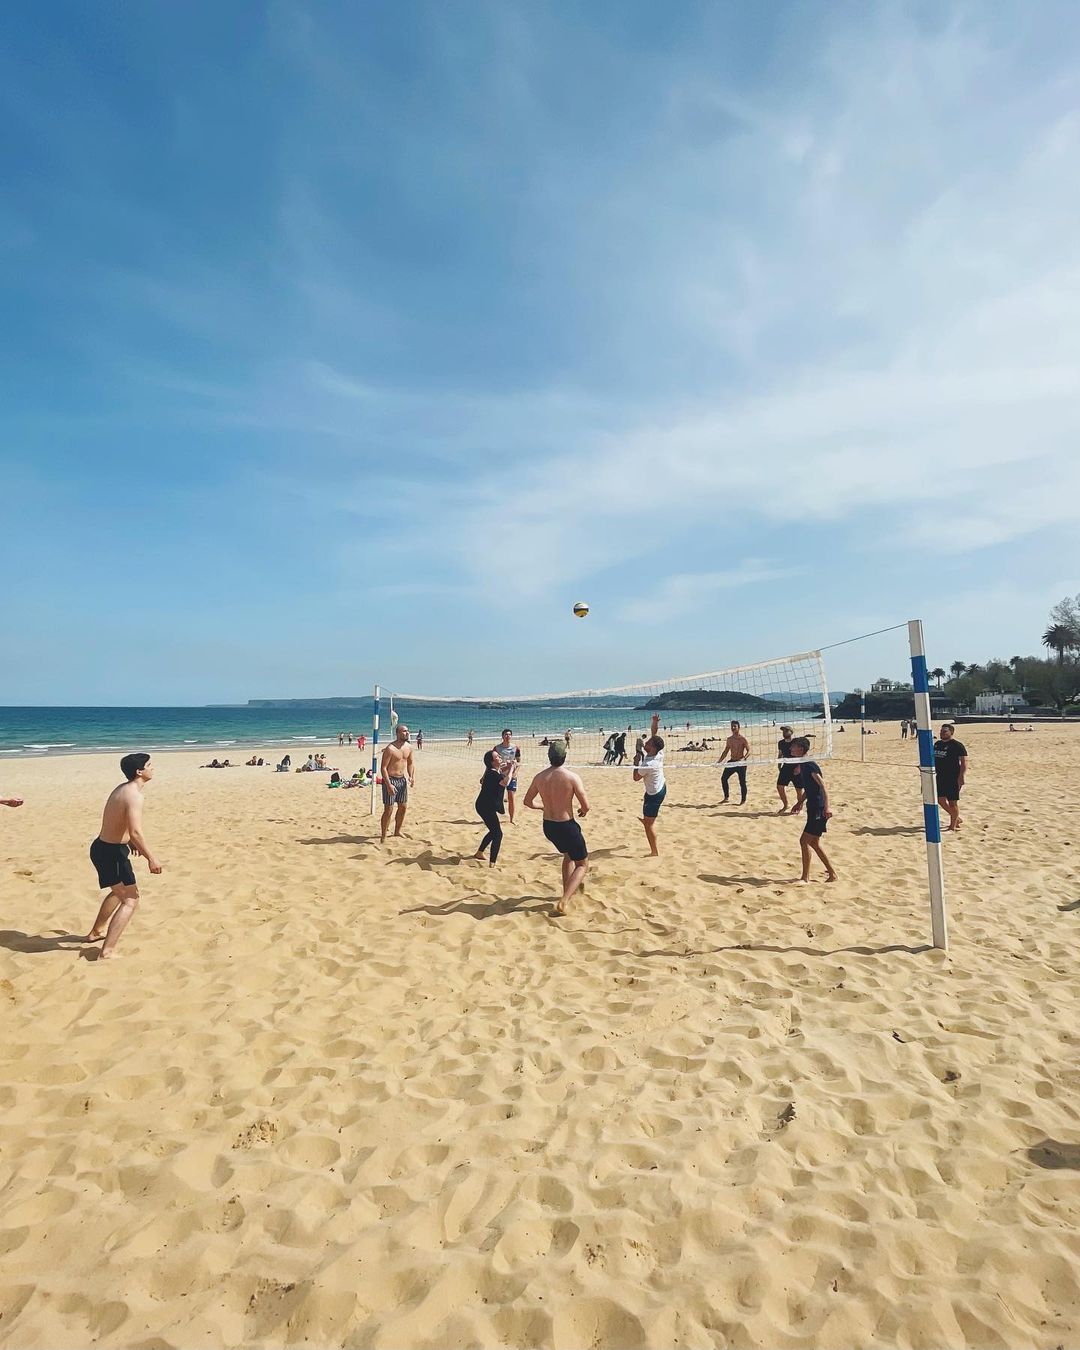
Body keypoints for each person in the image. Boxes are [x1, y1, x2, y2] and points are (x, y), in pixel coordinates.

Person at [84, 753, 162, 959]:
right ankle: (107, 952)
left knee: (119, 891)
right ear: (139, 771)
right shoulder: (134, 795)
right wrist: (151, 858)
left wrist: (128, 840)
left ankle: (95, 933)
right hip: (112, 854)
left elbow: (118, 821)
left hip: (102, 848)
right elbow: (136, 831)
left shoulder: (122, 789)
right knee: (131, 899)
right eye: (149, 765)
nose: (152, 768)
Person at [524, 740, 590, 915]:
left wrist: (543, 807)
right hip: (566, 825)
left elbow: (527, 802)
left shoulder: (540, 777)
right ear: (565, 756)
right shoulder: (571, 777)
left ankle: (566, 892)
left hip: (549, 827)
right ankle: (564, 900)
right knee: (582, 864)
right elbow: (586, 805)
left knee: (568, 855)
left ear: (549, 756)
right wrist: (583, 811)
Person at [790, 738, 836, 883]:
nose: (791, 749)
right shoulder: (802, 764)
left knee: (804, 841)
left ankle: (805, 878)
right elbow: (810, 789)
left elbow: (823, 786)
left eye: (794, 746)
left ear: (801, 749)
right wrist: (799, 802)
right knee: (814, 843)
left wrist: (827, 807)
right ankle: (832, 874)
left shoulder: (809, 765)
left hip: (818, 809)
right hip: (813, 807)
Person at [473, 749, 514, 866]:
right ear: (492, 762)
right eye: (497, 756)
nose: (499, 757)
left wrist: (509, 767)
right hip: (484, 807)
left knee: (493, 831)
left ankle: (479, 853)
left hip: (485, 805)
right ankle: (492, 863)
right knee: (498, 834)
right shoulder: (492, 773)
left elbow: (501, 774)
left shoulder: (493, 771)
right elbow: (505, 782)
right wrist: (511, 769)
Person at [633, 713, 666, 856]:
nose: (645, 744)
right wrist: (654, 722)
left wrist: (635, 763)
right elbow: (654, 733)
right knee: (647, 811)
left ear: (652, 748)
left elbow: (635, 778)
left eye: (647, 744)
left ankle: (654, 852)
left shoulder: (648, 764)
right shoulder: (658, 753)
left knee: (649, 825)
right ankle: (647, 819)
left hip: (655, 795)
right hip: (660, 787)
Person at [379, 723, 415, 842]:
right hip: (391, 780)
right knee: (388, 810)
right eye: (404, 731)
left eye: (408, 731)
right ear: (398, 733)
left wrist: (411, 776)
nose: (407, 733)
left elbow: (410, 763)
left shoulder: (408, 747)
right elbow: (383, 768)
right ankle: (383, 835)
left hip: (402, 780)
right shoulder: (390, 749)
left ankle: (397, 831)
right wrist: (388, 784)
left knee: (403, 807)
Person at [934, 723, 968, 832]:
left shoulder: (957, 745)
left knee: (953, 802)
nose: (942, 733)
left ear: (951, 733)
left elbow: (964, 762)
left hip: (953, 777)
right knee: (940, 800)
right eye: (941, 731)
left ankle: (952, 825)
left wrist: (961, 777)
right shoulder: (937, 744)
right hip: (940, 776)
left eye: (945, 731)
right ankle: (956, 818)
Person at [717, 720, 751, 804]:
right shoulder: (729, 739)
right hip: (732, 761)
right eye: (732, 726)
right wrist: (719, 761)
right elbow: (725, 751)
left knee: (742, 782)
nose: (732, 728)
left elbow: (749, 751)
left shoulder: (742, 739)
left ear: (738, 728)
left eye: (734, 726)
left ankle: (743, 800)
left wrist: (744, 759)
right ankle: (726, 797)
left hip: (741, 763)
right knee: (723, 778)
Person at [775, 725, 805, 815]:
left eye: (786, 731)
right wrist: (779, 764)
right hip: (786, 766)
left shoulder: (796, 742)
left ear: (791, 732)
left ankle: (800, 807)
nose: (784, 732)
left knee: (799, 789)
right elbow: (780, 754)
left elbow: (803, 754)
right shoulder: (781, 743)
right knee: (779, 786)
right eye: (783, 731)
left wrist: (799, 767)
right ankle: (785, 805)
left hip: (796, 766)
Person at [494, 729, 520, 823]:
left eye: (509, 735)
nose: (508, 736)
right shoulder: (497, 748)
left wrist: (515, 772)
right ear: (502, 736)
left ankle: (511, 819)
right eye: (506, 734)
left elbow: (519, 761)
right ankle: (494, 817)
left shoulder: (515, 748)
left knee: (511, 797)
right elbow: (492, 763)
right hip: (500, 776)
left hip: (511, 776)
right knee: (497, 797)